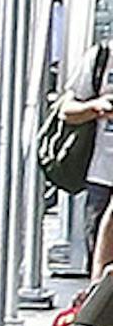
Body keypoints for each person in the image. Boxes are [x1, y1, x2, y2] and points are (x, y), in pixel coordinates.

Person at [60, 30, 113, 257]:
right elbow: (67, 111)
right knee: (100, 270)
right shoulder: (102, 56)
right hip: (103, 176)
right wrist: (95, 107)